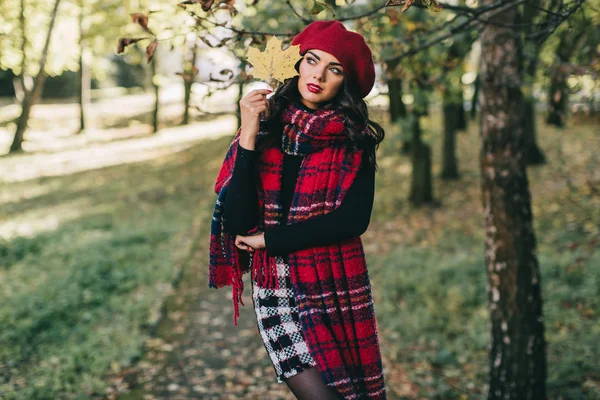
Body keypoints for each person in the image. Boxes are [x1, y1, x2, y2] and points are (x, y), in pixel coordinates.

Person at [209, 20, 386, 400]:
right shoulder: (266, 129)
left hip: (333, 282)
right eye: (311, 60)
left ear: (346, 82)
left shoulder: (356, 141)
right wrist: (249, 132)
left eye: (334, 69)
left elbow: (353, 221)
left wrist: (270, 239)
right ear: (297, 65)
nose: (318, 75)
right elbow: (238, 222)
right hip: (275, 287)